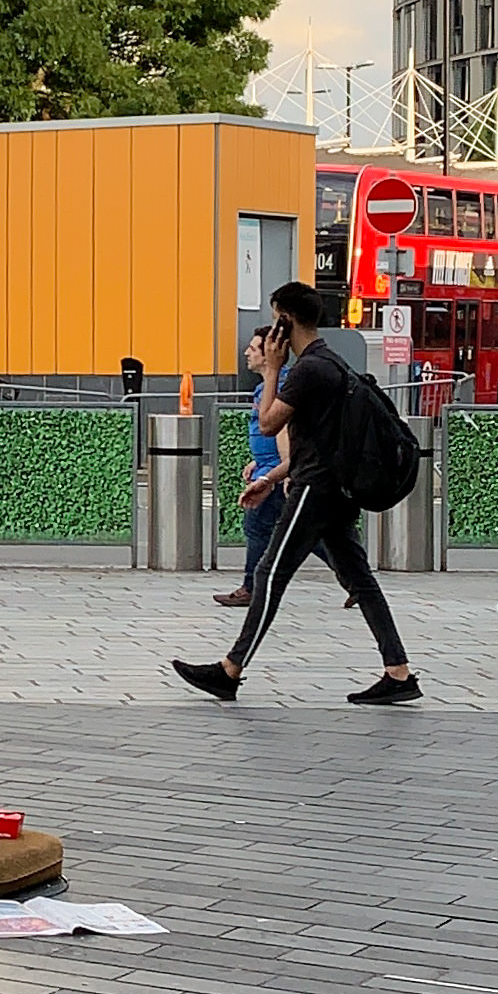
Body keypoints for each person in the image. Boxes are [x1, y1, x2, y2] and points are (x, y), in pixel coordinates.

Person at [172, 281, 422, 705]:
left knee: (269, 573)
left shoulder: (307, 370)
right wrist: (271, 479)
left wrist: (272, 369)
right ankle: (398, 672)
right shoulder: (331, 361)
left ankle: (230, 670)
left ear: (285, 321)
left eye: (275, 320)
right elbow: (315, 438)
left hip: (316, 488)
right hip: (334, 488)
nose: (272, 331)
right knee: (359, 579)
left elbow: (269, 422)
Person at [216, 325, 333, 607]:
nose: (247, 353)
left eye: (253, 348)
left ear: (269, 353)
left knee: (257, 528)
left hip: (276, 475)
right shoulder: (265, 387)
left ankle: (251, 588)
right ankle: (353, 579)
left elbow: (284, 436)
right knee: (303, 532)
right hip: (271, 469)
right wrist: (257, 460)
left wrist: (274, 475)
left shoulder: (280, 387)